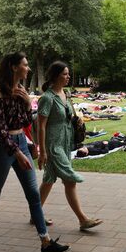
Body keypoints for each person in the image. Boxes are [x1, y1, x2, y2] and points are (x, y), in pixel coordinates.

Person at [0, 52, 69, 252]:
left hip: (22, 143)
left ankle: (46, 242)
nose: (28, 68)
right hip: (4, 149)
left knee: (33, 195)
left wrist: (26, 103)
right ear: (14, 67)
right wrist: (18, 153)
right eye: (25, 64)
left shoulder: (21, 90)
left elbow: (24, 123)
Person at [37, 61, 103, 231]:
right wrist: (42, 151)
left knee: (49, 180)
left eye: (68, 74)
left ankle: (34, 214)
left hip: (66, 143)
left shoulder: (65, 94)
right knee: (70, 180)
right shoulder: (47, 98)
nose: (68, 77)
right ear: (55, 75)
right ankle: (83, 219)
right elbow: (41, 125)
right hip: (53, 145)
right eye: (65, 74)